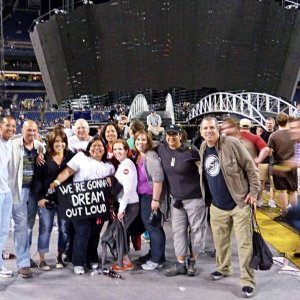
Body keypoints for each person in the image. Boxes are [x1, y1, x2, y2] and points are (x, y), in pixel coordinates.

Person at [199, 116, 260, 298]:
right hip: (217, 205)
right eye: (205, 129)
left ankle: (247, 281)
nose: (209, 131)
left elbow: (250, 167)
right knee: (220, 242)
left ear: (218, 129)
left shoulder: (231, 143)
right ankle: (223, 268)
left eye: (212, 128)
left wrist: (254, 193)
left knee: (244, 244)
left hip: (239, 203)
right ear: (201, 132)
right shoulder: (203, 147)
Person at [51, 137, 115, 275]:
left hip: (98, 207)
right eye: (94, 146)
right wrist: (56, 181)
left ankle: (91, 258)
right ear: (89, 148)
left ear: (105, 149)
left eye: (100, 146)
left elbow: (114, 183)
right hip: (79, 205)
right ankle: (78, 262)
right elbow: (68, 171)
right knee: (82, 232)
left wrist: (111, 179)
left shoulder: (109, 166)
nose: (97, 148)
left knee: (94, 233)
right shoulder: (80, 157)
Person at [157, 124, 207, 277]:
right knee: (178, 232)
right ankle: (180, 264)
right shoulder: (162, 149)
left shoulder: (191, 151)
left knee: (197, 230)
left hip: (195, 199)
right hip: (176, 200)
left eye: (174, 134)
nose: (171, 137)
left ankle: (192, 260)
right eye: (169, 134)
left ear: (180, 136)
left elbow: (204, 171)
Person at [33, 126, 74, 271]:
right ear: (51, 142)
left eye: (62, 141)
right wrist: (39, 198)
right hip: (47, 200)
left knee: (64, 230)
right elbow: (37, 180)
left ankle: (59, 256)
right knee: (45, 229)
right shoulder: (44, 157)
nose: (60, 144)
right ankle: (42, 259)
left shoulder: (71, 156)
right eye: (56, 141)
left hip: (65, 201)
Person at [9, 119, 45, 278]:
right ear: (22, 130)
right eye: (28, 130)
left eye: (34, 130)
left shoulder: (39, 146)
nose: (31, 133)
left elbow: (42, 150)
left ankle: (25, 257)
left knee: (29, 226)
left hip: (33, 191)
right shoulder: (13, 145)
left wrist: (41, 153)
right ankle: (23, 263)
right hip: (19, 190)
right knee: (21, 226)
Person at [134, 130, 166, 271]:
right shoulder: (140, 156)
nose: (140, 142)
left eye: (144, 140)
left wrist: (155, 199)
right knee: (152, 227)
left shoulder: (150, 157)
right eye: (138, 139)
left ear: (149, 141)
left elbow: (158, 180)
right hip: (143, 196)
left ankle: (156, 259)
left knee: (153, 228)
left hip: (150, 197)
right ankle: (155, 254)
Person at [111, 139, 139, 272]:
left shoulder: (126, 165)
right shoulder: (123, 164)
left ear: (126, 151)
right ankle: (124, 259)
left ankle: (125, 261)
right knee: (122, 233)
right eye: (115, 149)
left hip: (129, 205)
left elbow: (127, 190)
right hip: (126, 203)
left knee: (119, 233)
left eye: (120, 149)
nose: (117, 152)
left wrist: (121, 210)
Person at [268, 112, 298, 220]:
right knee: (293, 190)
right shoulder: (293, 133)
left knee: (282, 191)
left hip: (279, 165)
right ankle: (294, 215)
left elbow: (269, 152)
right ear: (287, 121)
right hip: (292, 164)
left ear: (277, 122)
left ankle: (285, 215)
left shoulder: (273, 135)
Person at [0, 116, 16, 278]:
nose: (10, 128)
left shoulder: (11, 144)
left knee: (3, 231)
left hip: (7, 192)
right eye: (7, 125)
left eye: (13, 126)